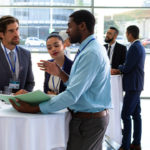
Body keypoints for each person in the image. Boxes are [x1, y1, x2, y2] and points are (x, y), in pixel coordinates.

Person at [10, 10, 112, 150]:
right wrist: (60, 73)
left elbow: (72, 94)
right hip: (85, 119)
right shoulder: (88, 49)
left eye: (70, 26)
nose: (67, 31)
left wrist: (35, 108)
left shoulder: (91, 53)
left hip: (89, 121)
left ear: (82, 26)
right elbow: (79, 86)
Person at [112, 25, 145, 150]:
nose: (126, 35)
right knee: (136, 115)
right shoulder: (139, 46)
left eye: (126, 33)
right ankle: (136, 143)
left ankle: (125, 145)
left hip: (133, 86)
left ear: (130, 34)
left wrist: (119, 68)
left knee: (125, 115)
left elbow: (127, 68)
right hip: (136, 85)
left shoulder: (134, 47)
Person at [0, 15, 35, 93]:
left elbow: (30, 82)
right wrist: (7, 96)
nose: (16, 34)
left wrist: (25, 93)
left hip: (21, 103)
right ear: (1, 34)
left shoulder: (26, 54)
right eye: (11, 31)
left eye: (17, 29)